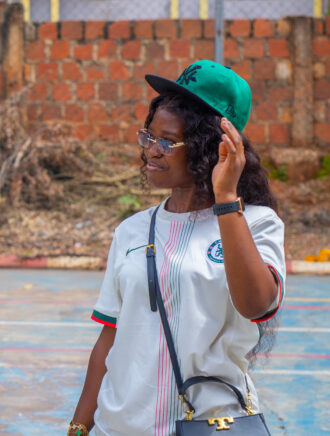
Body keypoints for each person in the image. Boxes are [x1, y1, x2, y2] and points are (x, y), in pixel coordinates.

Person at [69, 60, 285, 436]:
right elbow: (110, 337)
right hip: (119, 428)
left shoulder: (255, 223)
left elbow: (257, 305)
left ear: (211, 148)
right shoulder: (131, 231)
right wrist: (78, 427)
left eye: (168, 142)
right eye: (149, 136)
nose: (152, 151)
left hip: (210, 426)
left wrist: (226, 199)